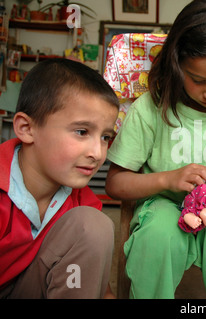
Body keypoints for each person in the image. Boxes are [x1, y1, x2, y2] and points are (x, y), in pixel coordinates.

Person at [105, 0, 206, 299]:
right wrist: (167, 179)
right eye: (198, 80)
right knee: (158, 238)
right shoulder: (150, 108)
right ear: (175, 64)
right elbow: (114, 183)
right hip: (162, 204)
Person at [0, 58, 120, 298]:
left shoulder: (83, 204)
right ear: (26, 128)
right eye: (81, 132)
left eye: (105, 137)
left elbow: (95, 287)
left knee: (94, 225)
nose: (97, 153)